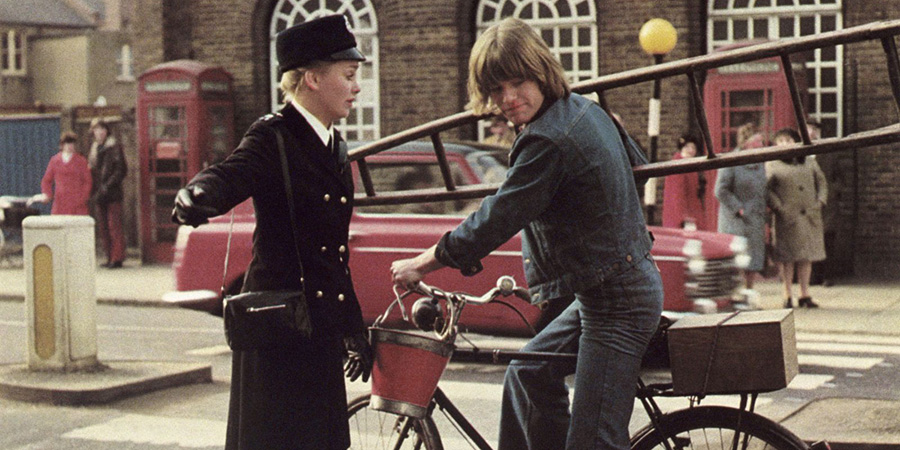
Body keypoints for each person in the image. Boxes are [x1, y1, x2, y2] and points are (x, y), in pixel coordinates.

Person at [389, 18, 663, 450]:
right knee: (527, 373)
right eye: (496, 90)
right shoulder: (586, 109)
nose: (508, 99)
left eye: (518, 83)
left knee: (594, 442)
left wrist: (421, 263)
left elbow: (496, 218)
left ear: (542, 72)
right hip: (608, 289)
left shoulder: (548, 139)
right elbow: (638, 167)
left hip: (616, 303)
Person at [170, 15, 373, 449]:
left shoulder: (333, 146)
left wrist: (353, 325)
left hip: (317, 336)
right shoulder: (273, 137)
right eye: (349, 75)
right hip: (278, 337)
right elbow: (232, 173)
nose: (357, 87)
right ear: (313, 78)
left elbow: (333, 253)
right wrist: (198, 193)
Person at [766, 128, 827, 308]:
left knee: (806, 256)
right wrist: (778, 207)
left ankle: (804, 293)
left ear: (797, 141)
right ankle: (787, 294)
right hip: (788, 217)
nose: (785, 144)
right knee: (787, 258)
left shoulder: (809, 162)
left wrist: (820, 202)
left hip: (809, 215)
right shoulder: (772, 164)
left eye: (789, 140)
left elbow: (822, 183)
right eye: (781, 140)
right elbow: (767, 190)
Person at [714, 123, 768, 289]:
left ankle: (748, 293)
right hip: (736, 220)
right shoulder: (731, 161)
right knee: (738, 258)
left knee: (754, 258)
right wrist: (738, 208)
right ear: (746, 142)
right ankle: (734, 295)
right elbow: (720, 190)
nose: (761, 145)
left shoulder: (760, 163)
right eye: (758, 141)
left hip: (756, 217)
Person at [88, 119, 128, 269]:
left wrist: (108, 186)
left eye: (102, 129)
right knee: (103, 227)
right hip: (99, 193)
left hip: (112, 193)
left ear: (107, 131)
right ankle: (109, 255)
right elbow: (92, 171)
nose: (99, 132)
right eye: (97, 129)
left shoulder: (114, 147)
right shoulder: (94, 149)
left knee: (114, 226)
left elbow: (121, 170)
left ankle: (117, 257)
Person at [807, 121, 841, 286]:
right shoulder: (799, 154)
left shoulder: (828, 153)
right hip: (806, 204)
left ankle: (828, 276)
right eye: (808, 129)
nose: (812, 132)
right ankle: (813, 276)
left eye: (815, 129)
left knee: (827, 240)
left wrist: (832, 193)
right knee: (810, 240)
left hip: (827, 205)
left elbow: (840, 178)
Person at [30, 131, 92, 215]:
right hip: (60, 203)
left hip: (77, 204)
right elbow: (46, 180)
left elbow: (87, 181)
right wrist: (47, 194)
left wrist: (83, 198)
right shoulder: (55, 160)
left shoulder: (81, 161)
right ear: (62, 145)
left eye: (72, 143)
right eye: (67, 143)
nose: (70, 146)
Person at [662, 134, 709, 230]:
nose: (691, 150)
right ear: (681, 148)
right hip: (684, 218)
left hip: (691, 213)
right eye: (687, 147)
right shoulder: (679, 166)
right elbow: (677, 194)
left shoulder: (689, 165)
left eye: (693, 147)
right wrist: (684, 218)